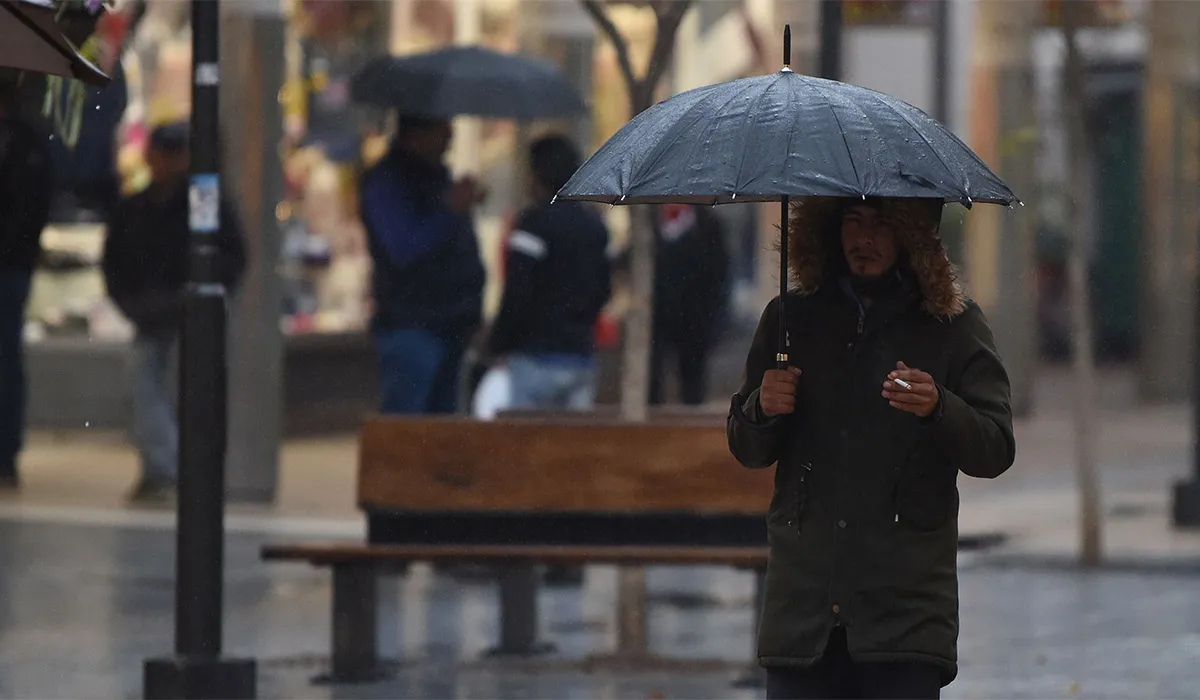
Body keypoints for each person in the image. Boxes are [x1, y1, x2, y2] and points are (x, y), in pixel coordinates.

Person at [726, 197, 1015, 699]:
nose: (864, 239)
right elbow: (749, 449)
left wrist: (939, 407)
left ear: (913, 236)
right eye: (853, 223)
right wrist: (761, 407)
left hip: (903, 615)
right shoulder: (790, 318)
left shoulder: (952, 325)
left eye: (882, 225)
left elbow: (995, 447)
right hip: (804, 610)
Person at [103, 121, 247, 503]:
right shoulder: (135, 206)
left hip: (189, 314)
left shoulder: (202, 203)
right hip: (149, 314)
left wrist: (201, 295)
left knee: (187, 390)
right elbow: (114, 262)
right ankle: (163, 469)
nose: (169, 162)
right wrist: (132, 302)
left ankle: (176, 468)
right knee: (142, 388)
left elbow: (232, 255)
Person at [360, 116, 485, 415]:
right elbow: (404, 248)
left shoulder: (438, 177)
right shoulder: (388, 182)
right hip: (413, 324)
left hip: (452, 322)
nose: (449, 137)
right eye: (441, 130)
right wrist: (450, 210)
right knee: (409, 425)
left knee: (441, 428)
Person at [486, 135, 611, 410]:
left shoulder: (533, 224)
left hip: (535, 356)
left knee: (529, 444)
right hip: (580, 355)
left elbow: (518, 290)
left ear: (537, 174)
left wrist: (498, 344)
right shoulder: (594, 227)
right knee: (570, 446)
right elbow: (602, 289)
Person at [0, 75, 56, 491]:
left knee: (6, 359)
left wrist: (20, 249)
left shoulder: (28, 145)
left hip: (11, 266)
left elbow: (34, 205)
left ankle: (6, 453)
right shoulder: (30, 144)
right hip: (15, 262)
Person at [650, 203, 729, 406]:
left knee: (692, 382)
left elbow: (719, 274)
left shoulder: (707, 224)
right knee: (652, 379)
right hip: (655, 317)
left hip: (695, 319)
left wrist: (714, 316)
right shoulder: (649, 223)